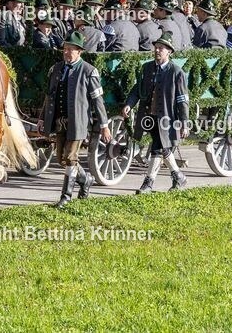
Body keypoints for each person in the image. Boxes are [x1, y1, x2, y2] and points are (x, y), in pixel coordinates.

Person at [37, 31, 110, 208]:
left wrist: (104, 125)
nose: (67, 53)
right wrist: (41, 119)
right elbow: (49, 96)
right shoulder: (56, 69)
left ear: (80, 52)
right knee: (61, 159)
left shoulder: (89, 71)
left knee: (70, 157)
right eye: (65, 49)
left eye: (71, 50)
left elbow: (97, 101)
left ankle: (66, 197)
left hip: (77, 123)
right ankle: (86, 180)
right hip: (59, 120)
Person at [123, 31, 190, 193]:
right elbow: (137, 90)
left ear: (169, 52)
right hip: (149, 116)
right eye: (156, 47)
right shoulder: (147, 68)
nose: (158, 50)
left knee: (158, 148)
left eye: (162, 48)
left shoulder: (176, 72)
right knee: (161, 148)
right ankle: (178, 177)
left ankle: (149, 183)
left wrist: (184, 123)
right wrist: (129, 104)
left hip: (167, 118)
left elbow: (182, 100)